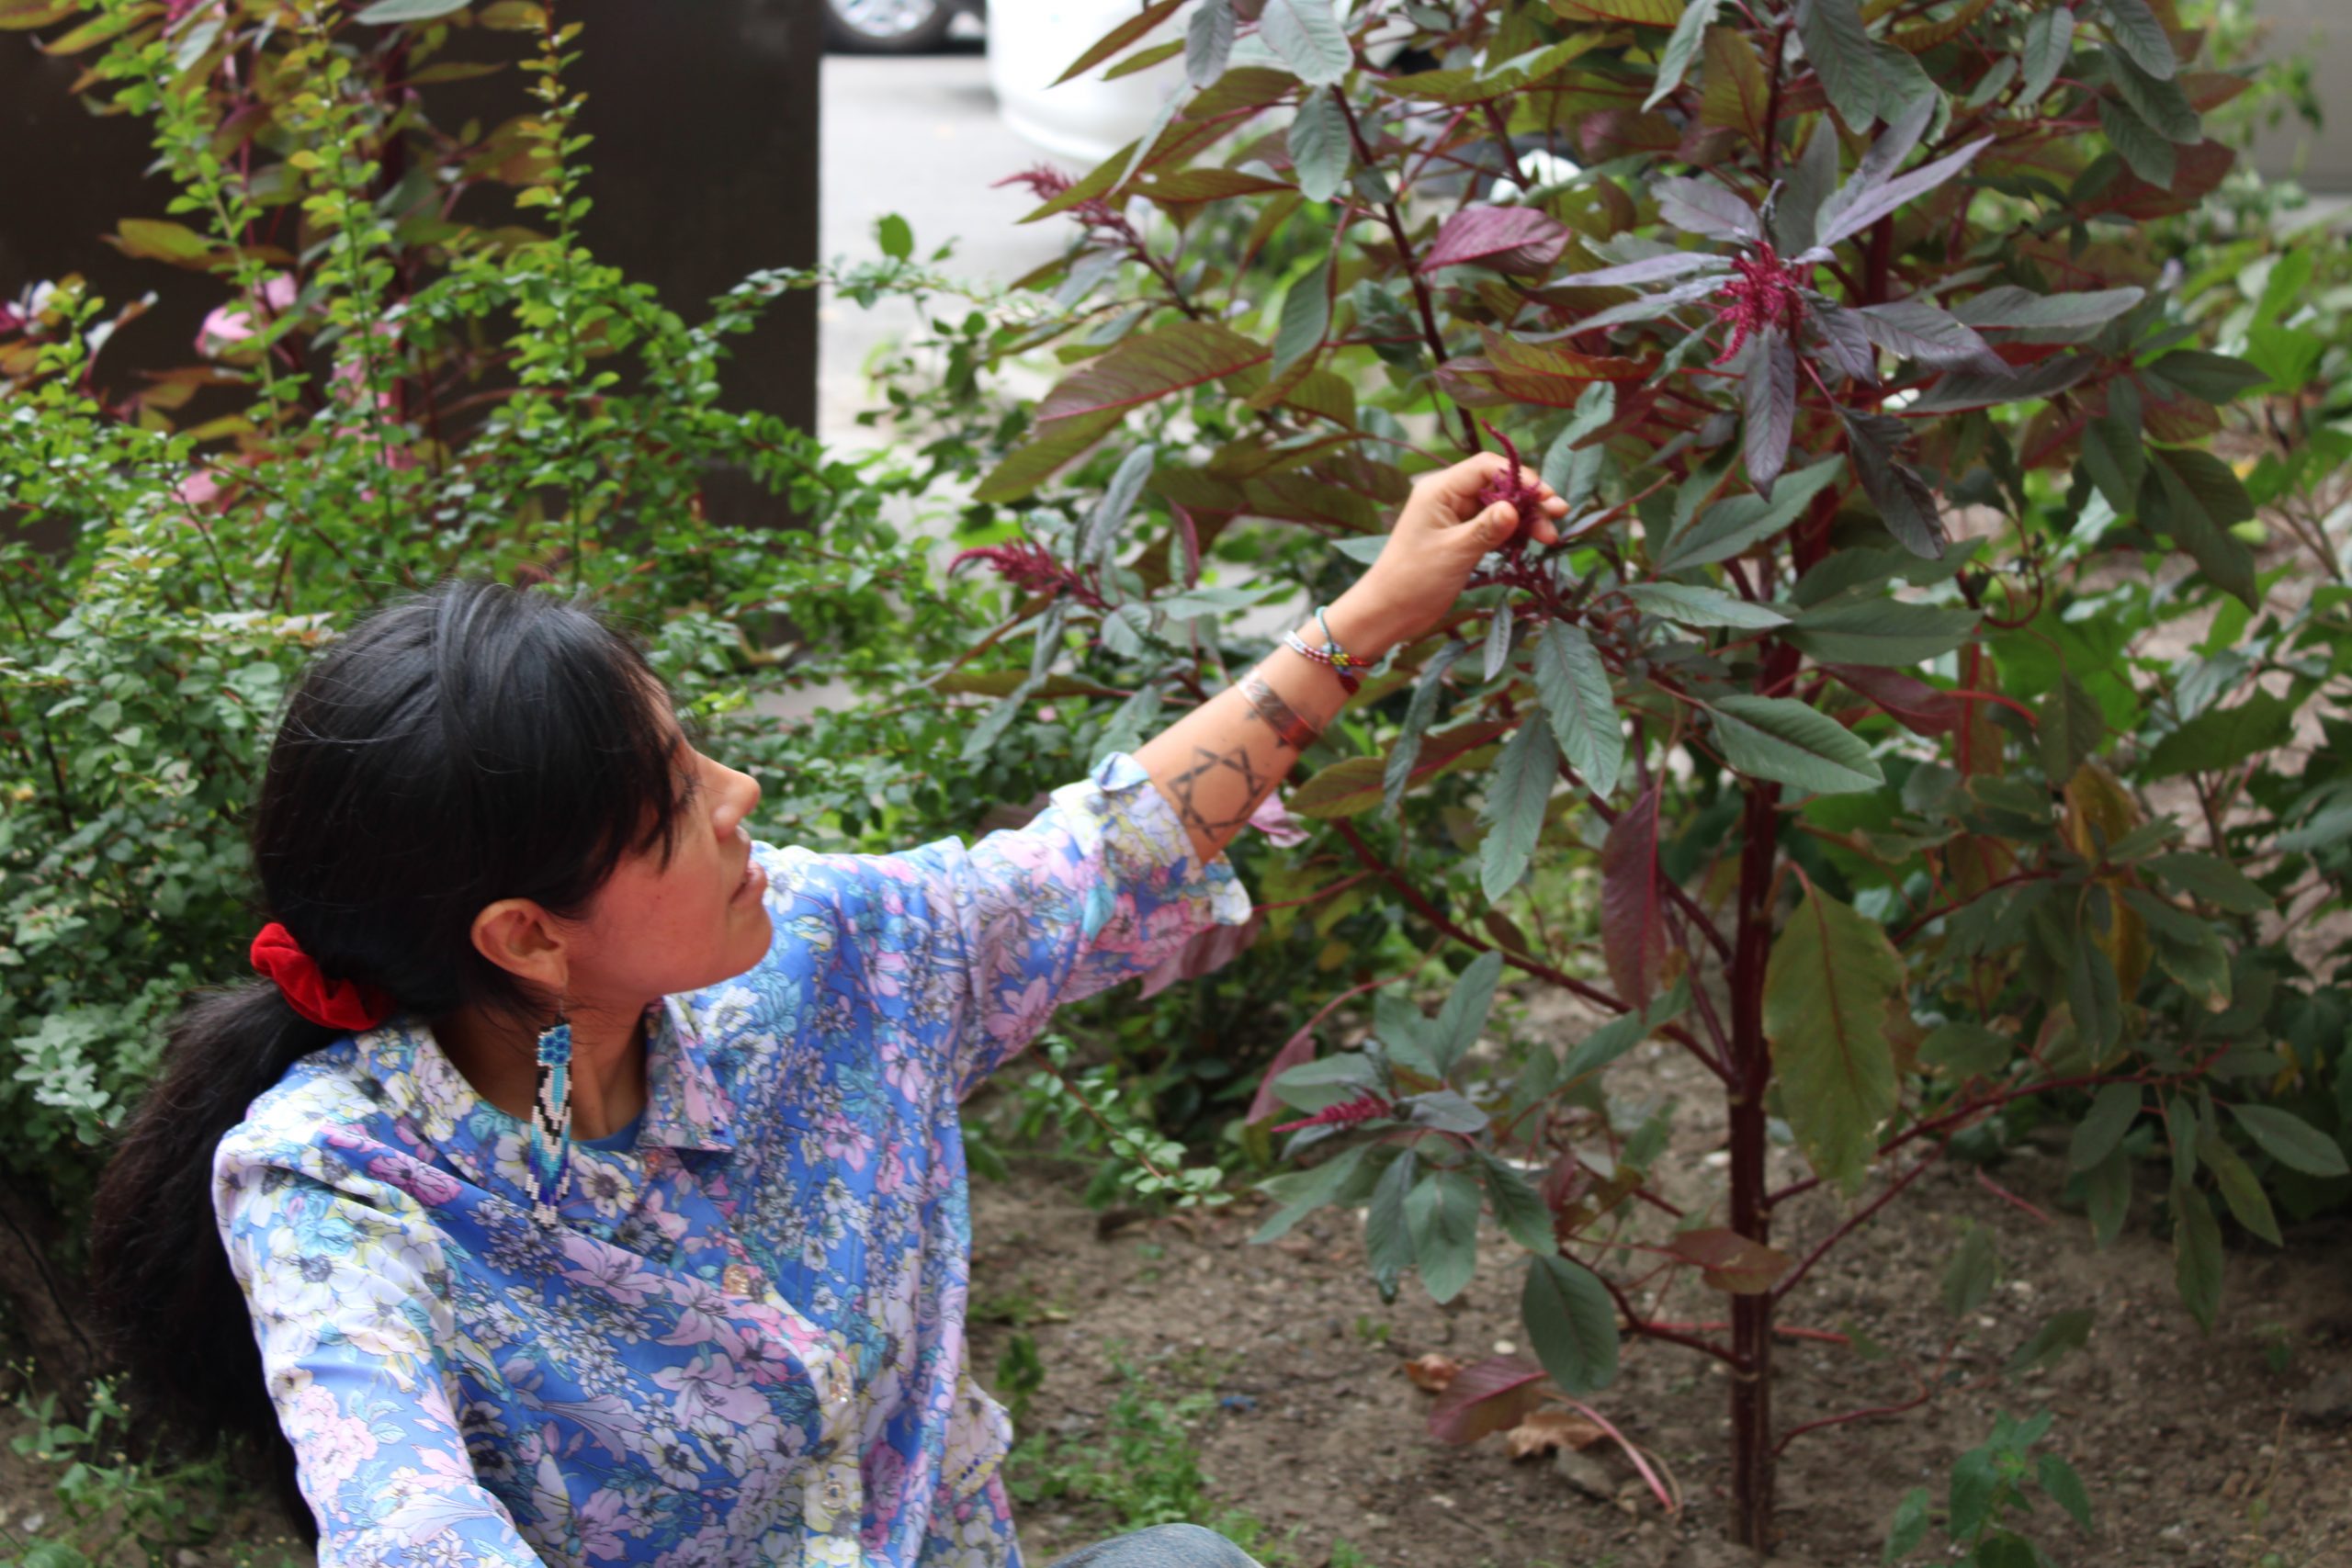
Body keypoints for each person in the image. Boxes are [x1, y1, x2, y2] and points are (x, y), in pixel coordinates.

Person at [86, 453, 1568, 1567]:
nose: (739, 798)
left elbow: (1094, 860)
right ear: (527, 937)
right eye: (675, 797)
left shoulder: (820, 954)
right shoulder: (338, 1190)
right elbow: (405, 1521)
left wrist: (1371, 612)